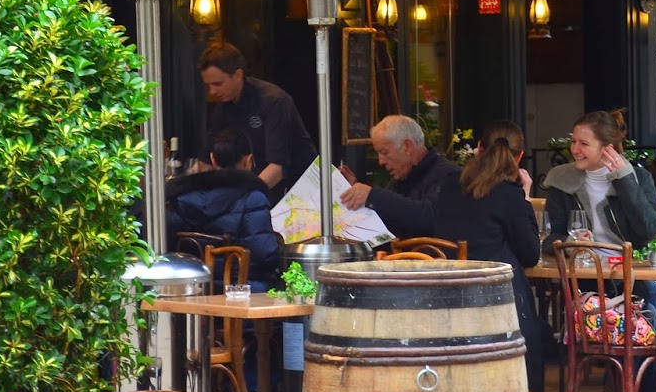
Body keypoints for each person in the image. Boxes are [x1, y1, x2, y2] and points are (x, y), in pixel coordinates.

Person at [542, 109, 656, 392]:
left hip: (629, 277)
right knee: (642, 306)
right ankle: (622, 386)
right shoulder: (562, 181)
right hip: (583, 282)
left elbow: (649, 230)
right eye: (574, 142)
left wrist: (623, 179)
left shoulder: (637, 177)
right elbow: (548, 237)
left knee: (647, 303)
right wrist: (570, 240)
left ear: (608, 147)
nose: (574, 149)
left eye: (583, 143)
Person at [434, 120, 542, 392]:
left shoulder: (450, 187)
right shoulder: (510, 196)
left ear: (479, 148)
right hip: (497, 307)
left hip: (449, 301)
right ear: (519, 157)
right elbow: (530, 254)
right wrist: (525, 200)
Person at [168, 128, 285, 290]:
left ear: (213, 159)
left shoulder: (183, 198)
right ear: (248, 161)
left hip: (195, 295)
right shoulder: (253, 198)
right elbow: (264, 255)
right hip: (240, 295)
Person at [198, 43, 316, 202]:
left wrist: (240, 198)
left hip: (300, 191)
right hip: (256, 187)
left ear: (238, 75)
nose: (212, 92)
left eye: (217, 84)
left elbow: (277, 168)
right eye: (208, 86)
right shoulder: (223, 108)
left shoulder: (273, 101)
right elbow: (206, 161)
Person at [339, 115, 460, 238]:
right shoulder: (401, 177)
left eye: (384, 152)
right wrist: (354, 192)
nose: (381, 161)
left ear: (407, 147)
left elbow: (431, 220)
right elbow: (385, 218)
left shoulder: (449, 176)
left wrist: (372, 196)